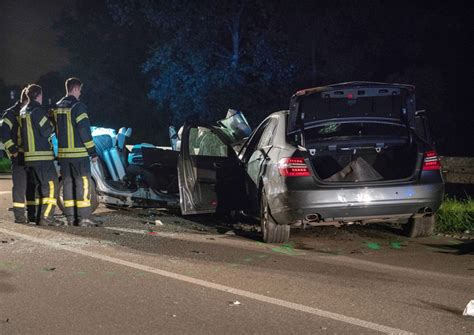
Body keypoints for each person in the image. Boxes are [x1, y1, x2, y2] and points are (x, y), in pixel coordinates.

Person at [52, 78, 99, 226]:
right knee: (83, 185)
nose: (80, 93)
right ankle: (84, 218)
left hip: (64, 156)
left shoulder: (57, 107)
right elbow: (84, 131)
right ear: (76, 89)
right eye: (80, 90)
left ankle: (71, 218)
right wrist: (93, 152)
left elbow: (55, 130)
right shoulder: (78, 107)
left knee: (68, 185)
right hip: (79, 155)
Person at [19, 84, 62, 226]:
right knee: (51, 187)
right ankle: (47, 218)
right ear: (38, 95)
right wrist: (52, 120)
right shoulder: (37, 111)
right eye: (42, 95)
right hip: (42, 157)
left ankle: (39, 216)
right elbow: (46, 131)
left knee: (39, 189)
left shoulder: (23, 111)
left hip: (30, 158)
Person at [0, 88, 39, 223]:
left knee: (32, 186)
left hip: (31, 155)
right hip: (19, 156)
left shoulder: (30, 112)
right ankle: (20, 217)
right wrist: (13, 149)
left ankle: (32, 215)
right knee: (20, 187)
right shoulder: (11, 113)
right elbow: (3, 132)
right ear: (27, 99)